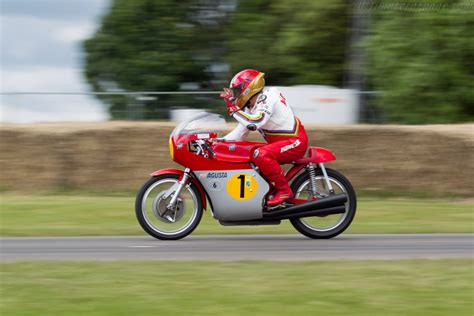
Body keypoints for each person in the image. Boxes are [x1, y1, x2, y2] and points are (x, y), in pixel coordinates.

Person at [220, 69, 308, 207]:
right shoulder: (252, 107)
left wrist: (234, 109)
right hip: (285, 142)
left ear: (248, 88)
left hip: (295, 141)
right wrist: (218, 142)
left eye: (238, 90)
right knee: (249, 153)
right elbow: (239, 134)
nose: (236, 95)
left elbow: (254, 123)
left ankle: (284, 190)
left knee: (261, 154)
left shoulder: (267, 98)